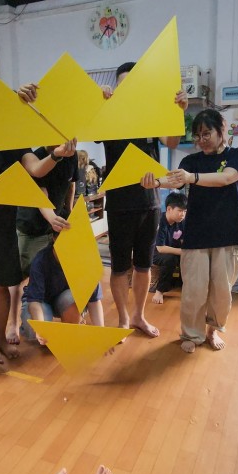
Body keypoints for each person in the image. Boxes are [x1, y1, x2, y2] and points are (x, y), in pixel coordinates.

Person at [0, 83, 76, 366]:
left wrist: (56, 154)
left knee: (2, 286)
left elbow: (36, 169)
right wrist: (11, 94)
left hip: (4, 225)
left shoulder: (16, 144)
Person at [98, 62, 188, 338]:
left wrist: (179, 111)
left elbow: (172, 142)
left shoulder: (151, 115)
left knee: (144, 265)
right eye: (122, 85)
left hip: (150, 203)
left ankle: (138, 316)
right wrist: (99, 102)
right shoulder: (108, 114)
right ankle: (123, 319)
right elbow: (88, 127)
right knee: (119, 267)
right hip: (118, 204)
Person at [157, 109, 238, 354]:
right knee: (194, 291)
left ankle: (212, 330)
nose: (201, 140)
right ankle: (192, 334)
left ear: (222, 129)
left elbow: (226, 178)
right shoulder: (191, 161)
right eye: (197, 136)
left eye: (206, 134)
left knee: (221, 292)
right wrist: (154, 182)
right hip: (196, 235)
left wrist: (192, 177)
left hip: (228, 235)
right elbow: (175, 180)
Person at [4, 145, 77, 344]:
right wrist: (52, 218)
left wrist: (69, 211)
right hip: (30, 227)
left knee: (55, 273)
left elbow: (71, 185)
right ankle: (13, 324)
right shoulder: (36, 158)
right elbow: (41, 195)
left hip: (53, 227)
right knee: (18, 278)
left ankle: (54, 312)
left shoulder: (72, 155)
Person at [21, 238, 106, 344]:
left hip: (65, 299)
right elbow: (35, 301)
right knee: (33, 331)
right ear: (54, 240)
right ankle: (27, 327)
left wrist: (101, 333)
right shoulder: (40, 260)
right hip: (41, 301)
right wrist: (41, 329)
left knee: (72, 300)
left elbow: (94, 300)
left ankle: (73, 324)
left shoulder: (86, 261)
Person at [150, 191, 187, 305]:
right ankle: (159, 291)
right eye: (180, 211)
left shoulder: (181, 221)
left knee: (189, 257)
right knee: (171, 259)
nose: (182, 214)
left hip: (173, 250)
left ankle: (185, 286)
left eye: (185, 211)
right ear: (169, 209)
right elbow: (160, 248)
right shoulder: (159, 221)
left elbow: (183, 240)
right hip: (154, 252)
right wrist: (181, 252)